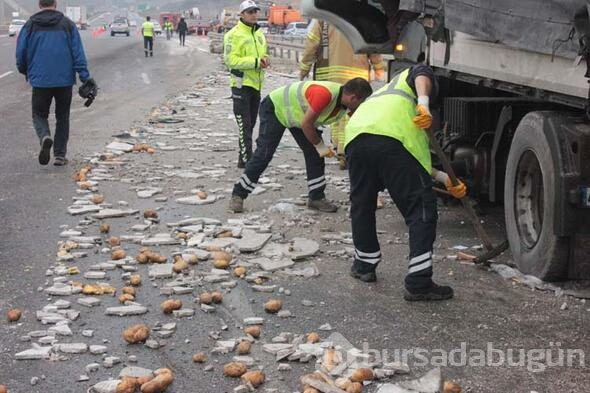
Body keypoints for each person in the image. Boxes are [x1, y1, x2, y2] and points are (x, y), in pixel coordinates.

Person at [344, 65, 466, 301]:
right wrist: (424, 102)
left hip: (356, 138)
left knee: (362, 203)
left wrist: (446, 180)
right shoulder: (409, 82)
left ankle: (364, 265)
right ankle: (419, 282)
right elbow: (422, 72)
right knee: (420, 209)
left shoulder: (383, 95)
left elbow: (409, 160)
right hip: (391, 142)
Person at [229, 78, 373, 214]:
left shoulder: (345, 102)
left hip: (299, 116)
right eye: (362, 101)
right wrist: (321, 146)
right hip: (276, 108)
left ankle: (316, 198)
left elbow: (356, 124)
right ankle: (238, 194)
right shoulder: (324, 95)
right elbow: (306, 124)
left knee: (315, 154)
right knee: (264, 154)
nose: (361, 105)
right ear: (353, 98)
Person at [300, 20, 385, 170]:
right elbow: (373, 46)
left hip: (330, 76)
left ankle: (340, 151)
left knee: (336, 114)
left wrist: (304, 68)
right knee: (352, 114)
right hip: (358, 73)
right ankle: (347, 150)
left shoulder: (323, 20)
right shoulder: (363, 18)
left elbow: (311, 45)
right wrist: (378, 67)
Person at [16, 0, 92, 166]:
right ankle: (59, 155)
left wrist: (25, 70)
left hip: (40, 80)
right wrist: (85, 77)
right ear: (55, 4)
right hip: (64, 80)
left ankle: (44, 136)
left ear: (39, 4)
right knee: (62, 116)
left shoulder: (30, 25)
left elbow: (21, 51)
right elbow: (78, 53)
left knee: (39, 114)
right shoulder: (67, 25)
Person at [223, 0, 268, 168]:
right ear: (241, 14)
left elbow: (264, 54)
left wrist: (265, 60)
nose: (254, 14)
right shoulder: (233, 35)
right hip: (241, 85)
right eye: (250, 12)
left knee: (252, 124)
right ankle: (248, 160)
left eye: (255, 11)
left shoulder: (259, 33)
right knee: (244, 125)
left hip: (256, 85)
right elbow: (230, 60)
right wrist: (256, 62)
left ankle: (243, 159)